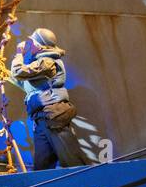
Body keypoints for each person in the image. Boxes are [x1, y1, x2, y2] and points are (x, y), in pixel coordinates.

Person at [9, 28, 88, 170]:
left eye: (32, 42)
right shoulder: (42, 62)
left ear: (39, 46)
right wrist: (5, 73)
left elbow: (19, 72)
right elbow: (30, 86)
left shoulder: (48, 62)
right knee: (42, 167)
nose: (29, 45)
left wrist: (19, 53)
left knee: (73, 162)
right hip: (42, 119)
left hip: (53, 115)